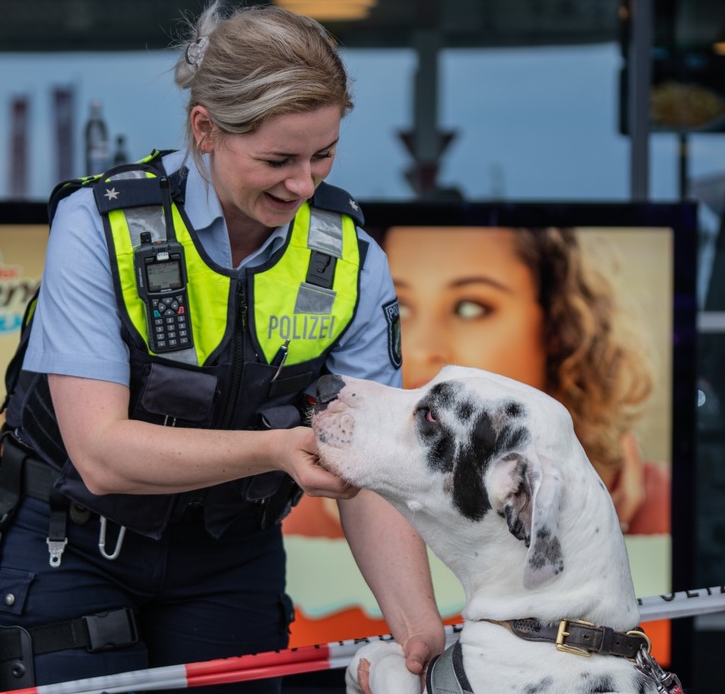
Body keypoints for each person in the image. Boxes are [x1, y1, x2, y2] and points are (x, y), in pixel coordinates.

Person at [0, 0, 444, 694]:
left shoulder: (348, 257)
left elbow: (360, 476)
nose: (303, 183)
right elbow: (100, 453)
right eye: (279, 159)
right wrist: (279, 445)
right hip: (70, 557)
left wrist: (417, 630)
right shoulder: (95, 225)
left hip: (226, 568)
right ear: (205, 131)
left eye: (320, 156)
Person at [286, 223, 669, 540]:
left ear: (556, 326)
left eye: (470, 307)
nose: (423, 349)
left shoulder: (656, 505)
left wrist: (592, 531)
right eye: (398, 306)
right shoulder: (295, 505)